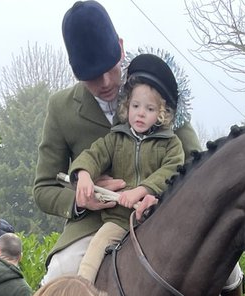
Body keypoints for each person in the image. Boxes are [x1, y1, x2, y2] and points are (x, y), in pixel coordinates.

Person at [33, 2, 202, 283]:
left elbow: (194, 159)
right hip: (94, 225)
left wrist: (161, 193)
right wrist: (82, 199)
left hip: (163, 210)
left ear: (121, 47)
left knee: (229, 270)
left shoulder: (155, 88)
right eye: (91, 76)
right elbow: (43, 189)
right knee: (57, 276)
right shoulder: (60, 108)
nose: (106, 82)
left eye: (111, 68)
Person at [70, 54, 185, 282]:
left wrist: (142, 190)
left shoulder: (171, 144)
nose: (141, 113)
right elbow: (93, 155)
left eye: (150, 109)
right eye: (136, 106)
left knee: (187, 259)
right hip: (119, 219)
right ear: (127, 106)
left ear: (161, 113)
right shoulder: (116, 138)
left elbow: (173, 169)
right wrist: (83, 175)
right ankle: (80, 294)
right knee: (92, 255)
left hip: (157, 218)